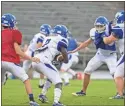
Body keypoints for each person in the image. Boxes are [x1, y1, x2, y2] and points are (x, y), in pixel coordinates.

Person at [69, 16, 117, 96]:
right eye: (97, 26)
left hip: (111, 55)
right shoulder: (94, 32)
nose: (98, 28)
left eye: (100, 26)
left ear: (105, 25)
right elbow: (86, 43)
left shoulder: (111, 31)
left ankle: (121, 92)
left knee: (115, 73)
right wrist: (75, 50)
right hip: (100, 55)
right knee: (87, 71)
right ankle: (83, 91)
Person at [1, 13, 40, 106]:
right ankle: (32, 101)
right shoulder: (15, 33)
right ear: (11, 23)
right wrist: (31, 58)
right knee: (26, 79)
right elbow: (18, 51)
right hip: (10, 61)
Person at [32, 25, 69, 106]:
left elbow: (52, 51)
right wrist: (66, 59)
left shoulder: (48, 37)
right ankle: (56, 102)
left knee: (50, 76)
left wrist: (57, 58)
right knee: (58, 81)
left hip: (36, 60)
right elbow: (63, 50)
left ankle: (42, 95)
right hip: (43, 60)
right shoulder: (60, 38)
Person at [102, 10, 124, 99]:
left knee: (117, 74)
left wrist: (104, 35)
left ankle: (120, 94)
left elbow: (108, 41)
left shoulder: (120, 27)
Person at [22, 24, 52, 88]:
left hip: (29, 51)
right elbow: (39, 45)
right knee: (42, 66)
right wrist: (37, 54)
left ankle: (21, 79)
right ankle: (41, 84)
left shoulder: (37, 34)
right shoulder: (42, 36)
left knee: (24, 69)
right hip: (33, 53)